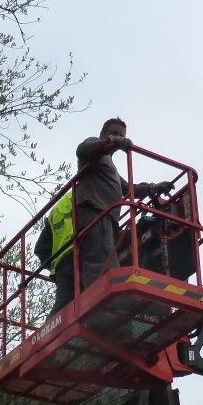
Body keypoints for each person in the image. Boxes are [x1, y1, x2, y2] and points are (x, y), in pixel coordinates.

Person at [69, 117, 172, 298]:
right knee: (99, 262)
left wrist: (152, 188)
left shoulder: (110, 165)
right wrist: (111, 142)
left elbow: (127, 188)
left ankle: (108, 300)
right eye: (114, 133)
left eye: (122, 135)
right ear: (103, 134)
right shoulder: (93, 146)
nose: (119, 137)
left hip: (106, 218)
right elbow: (82, 149)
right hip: (94, 212)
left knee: (109, 261)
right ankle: (98, 301)